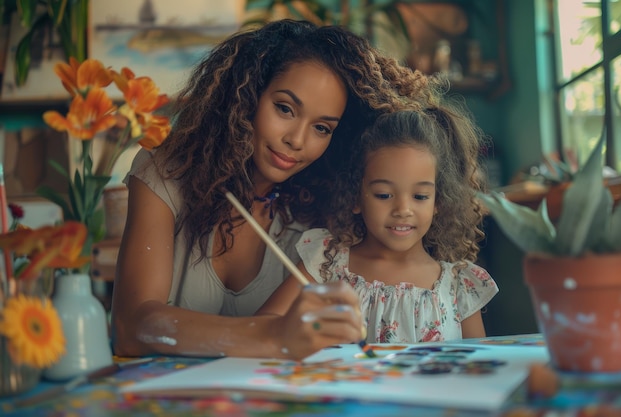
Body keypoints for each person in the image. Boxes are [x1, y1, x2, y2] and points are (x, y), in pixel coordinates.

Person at [111, 19, 434, 360]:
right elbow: (131, 328)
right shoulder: (166, 173)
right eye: (284, 108)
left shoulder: (321, 214)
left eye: (322, 128)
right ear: (247, 96)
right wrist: (271, 335)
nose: (296, 140)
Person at [257, 105, 499, 343]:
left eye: (420, 196)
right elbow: (261, 327)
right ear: (355, 197)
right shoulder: (327, 264)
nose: (403, 210)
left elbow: (478, 368)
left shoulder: (459, 284)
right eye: (384, 195)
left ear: (438, 202)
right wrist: (310, 327)